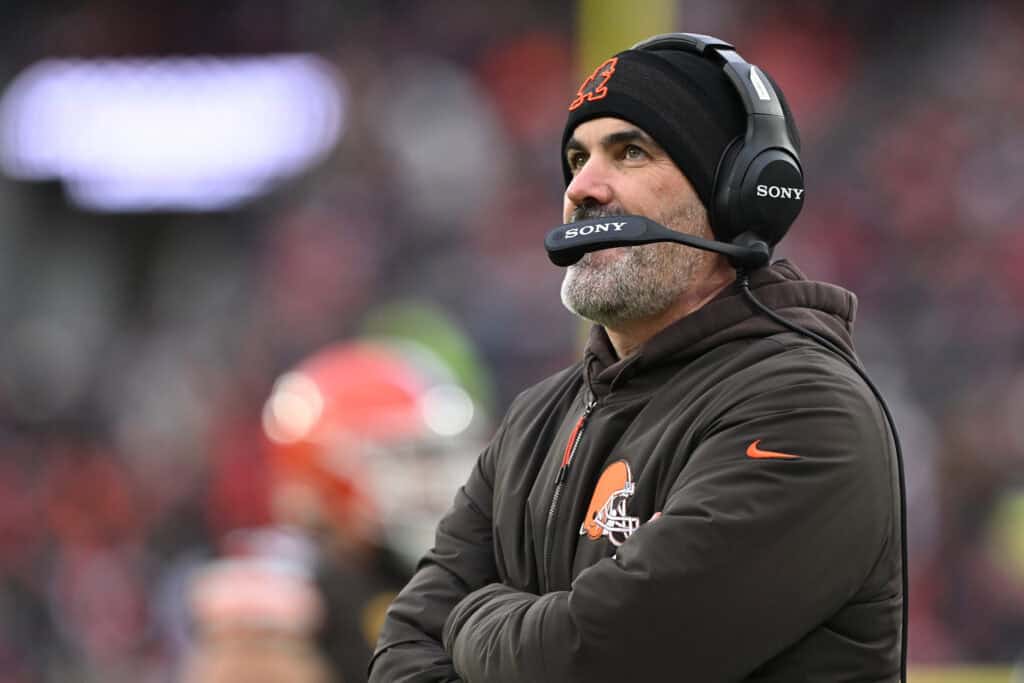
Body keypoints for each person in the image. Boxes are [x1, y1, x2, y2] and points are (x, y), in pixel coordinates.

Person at [369, 33, 903, 682]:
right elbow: (403, 654)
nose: (583, 187)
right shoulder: (536, 419)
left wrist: (471, 617)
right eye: (575, 156)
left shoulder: (809, 411)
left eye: (629, 152)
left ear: (736, 192)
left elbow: (595, 661)